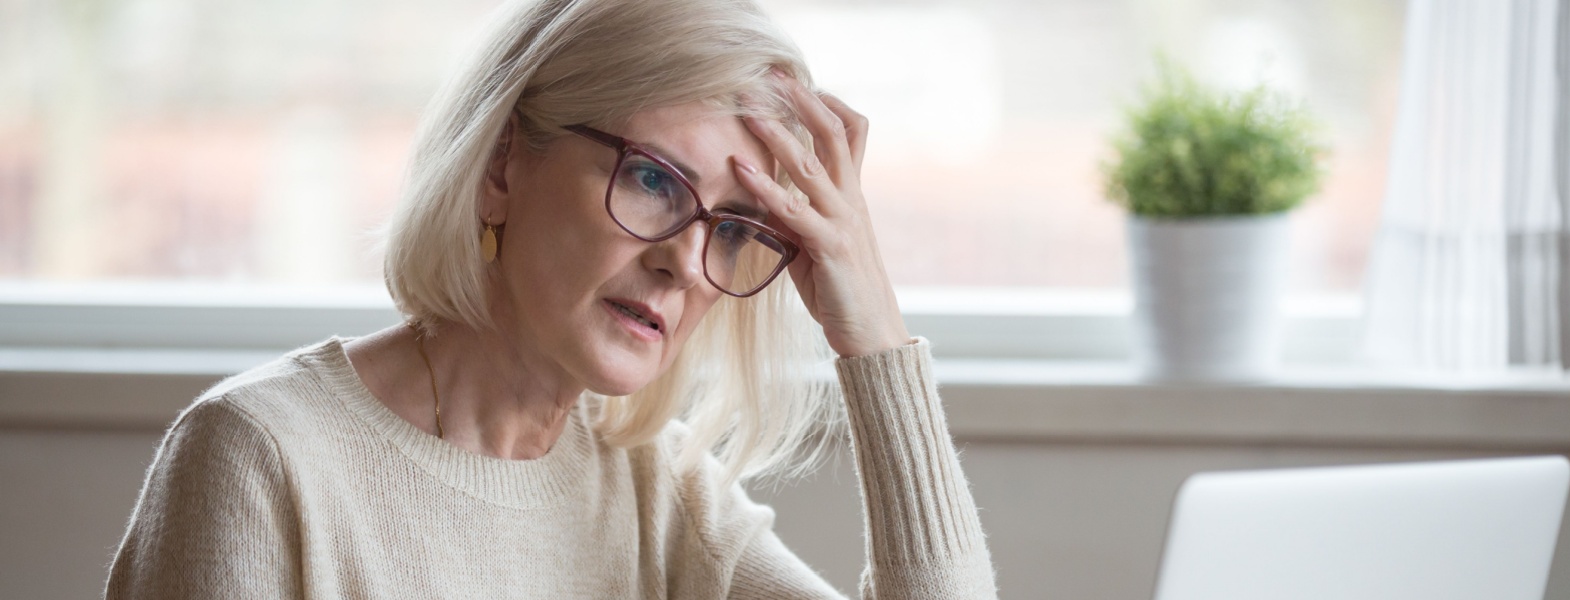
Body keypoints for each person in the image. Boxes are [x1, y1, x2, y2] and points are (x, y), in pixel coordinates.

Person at [105, 0, 998, 597]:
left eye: (735, 228)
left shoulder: (663, 491)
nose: (687, 262)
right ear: (501, 167)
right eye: (653, 179)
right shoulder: (261, 458)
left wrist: (872, 332)